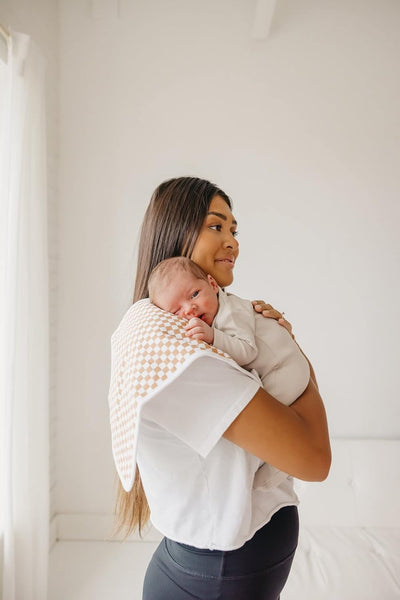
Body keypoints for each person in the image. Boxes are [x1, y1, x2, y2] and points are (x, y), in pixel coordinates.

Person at [109, 176, 331, 600]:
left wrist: (277, 340)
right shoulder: (185, 355)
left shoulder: (164, 324)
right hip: (219, 572)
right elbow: (315, 460)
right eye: (216, 226)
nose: (232, 241)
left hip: (216, 568)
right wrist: (292, 352)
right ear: (175, 233)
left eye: (233, 229)